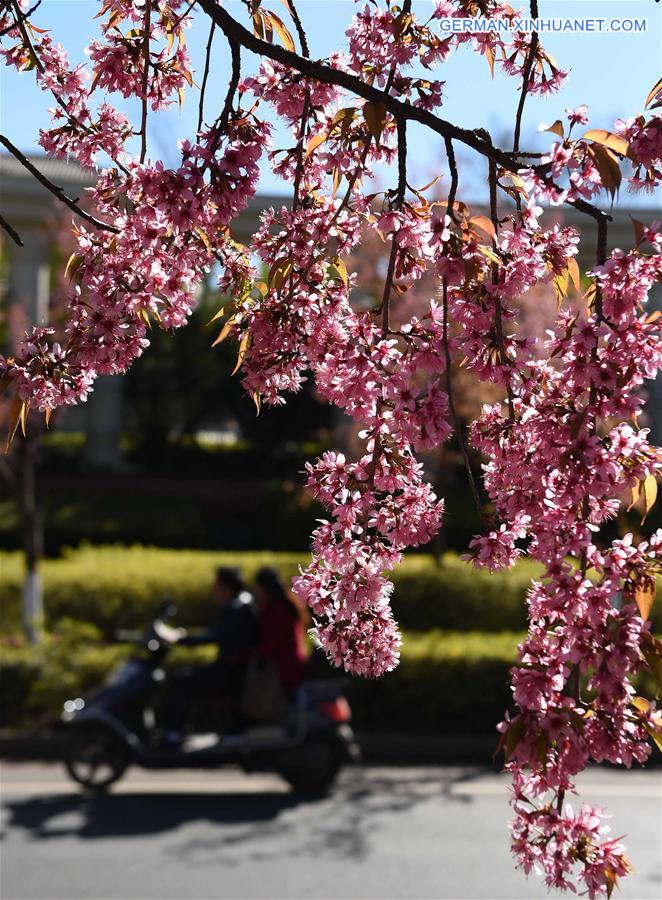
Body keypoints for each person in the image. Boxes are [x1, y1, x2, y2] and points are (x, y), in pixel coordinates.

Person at [163, 567, 258, 742]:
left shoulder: (237, 608)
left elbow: (216, 635)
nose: (213, 590)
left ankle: (174, 733)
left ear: (227, 588)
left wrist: (182, 639)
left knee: (181, 680)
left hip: (231, 673)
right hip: (232, 669)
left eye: (216, 586)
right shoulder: (240, 604)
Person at [252, 567, 310, 693]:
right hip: (290, 664)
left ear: (264, 587)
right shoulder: (283, 604)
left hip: (286, 668)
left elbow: (271, 640)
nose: (254, 590)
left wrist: (256, 655)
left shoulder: (279, 609)